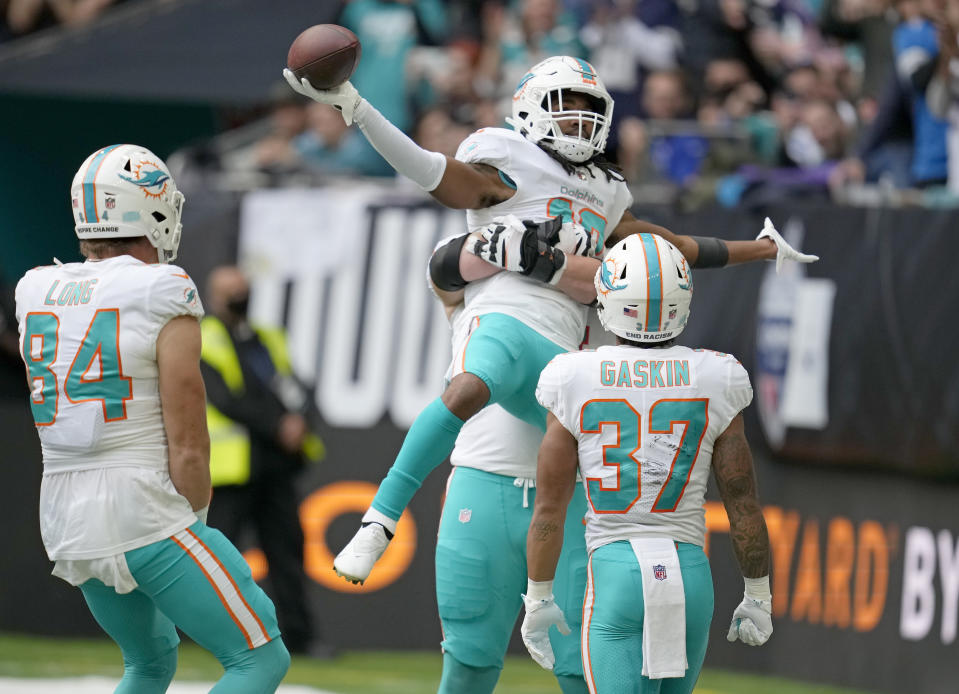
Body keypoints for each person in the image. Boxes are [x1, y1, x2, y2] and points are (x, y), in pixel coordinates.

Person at [283, 54, 816, 590]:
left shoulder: (606, 189)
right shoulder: (505, 157)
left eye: (590, 108)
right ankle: (380, 519)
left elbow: (671, 246)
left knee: (588, 466)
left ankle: (595, 594)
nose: (580, 119)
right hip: (506, 313)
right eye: (568, 106)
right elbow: (429, 169)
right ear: (530, 108)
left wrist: (762, 249)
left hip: (566, 347)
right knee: (470, 386)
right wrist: (357, 109)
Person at [14, 145, 290, 692]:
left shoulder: (34, 287)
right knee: (260, 659)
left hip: (65, 512)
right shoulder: (162, 287)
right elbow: (189, 441)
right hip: (141, 505)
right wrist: (193, 521)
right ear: (149, 210)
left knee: (148, 664)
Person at [522, 233, 772, 694]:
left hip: (617, 574)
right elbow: (742, 503)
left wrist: (538, 596)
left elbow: (549, 509)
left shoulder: (572, 375)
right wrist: (758, 593)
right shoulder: (718, 376)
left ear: (609, 300)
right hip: (691, 575)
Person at [200, 264, 328, 658]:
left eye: (243, 289)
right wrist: (278, 426)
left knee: (288, 553)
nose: (240, 297)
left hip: (275, 467)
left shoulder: (266, 337)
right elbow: (223, 399)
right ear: (213, 296)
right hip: (234, 469)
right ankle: (214, 637)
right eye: (231, 290)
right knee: (221, 560)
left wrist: (300, 422)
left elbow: (293, 385)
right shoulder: (203, 338)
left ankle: (300, 638)